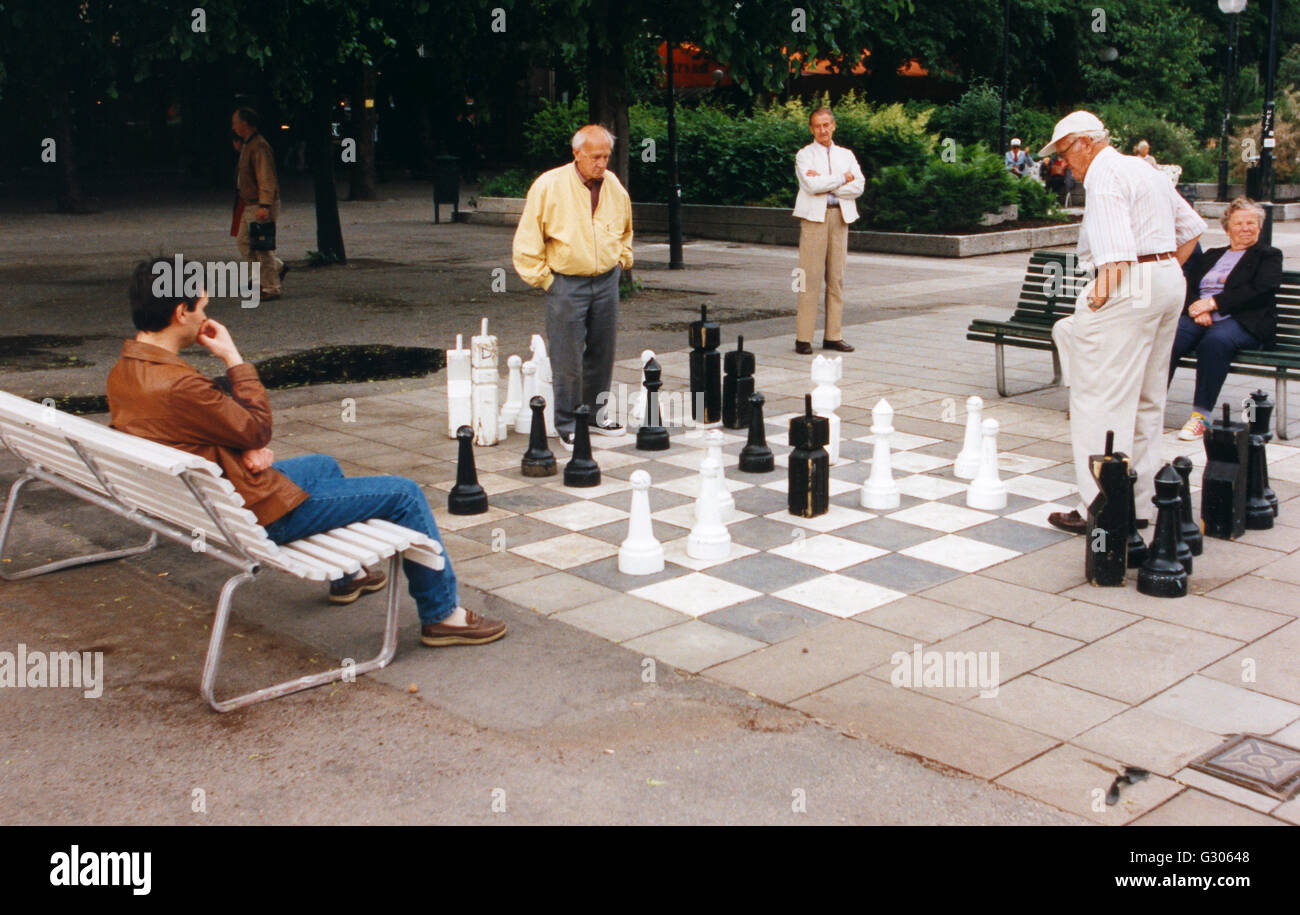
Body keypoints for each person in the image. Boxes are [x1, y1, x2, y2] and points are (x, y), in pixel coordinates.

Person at [106, 257, 506, 647]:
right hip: (255, 514)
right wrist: (233, 359)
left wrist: (243, 450)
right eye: (203, 307)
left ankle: (347, 576)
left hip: (211, 502)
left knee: (323, 465)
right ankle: (441, 615)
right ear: (181, 312)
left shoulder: (125, 371)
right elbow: (257, 427)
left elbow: (184, 433)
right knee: (404, 494)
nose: (205, 317)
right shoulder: (179, 384)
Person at [1041, 111, 1206, 535]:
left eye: (1064, 154)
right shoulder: (1144, 168)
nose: (1065, 166)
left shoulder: (1103, 174)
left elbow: (1115, 255)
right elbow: (1190, 229)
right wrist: (1161, 270)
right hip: (1168, 278)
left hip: (1127, 284)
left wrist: (1098, 300)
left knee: (1100, 401)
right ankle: (1144, 505)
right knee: (1148, 400)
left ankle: (1101, 506)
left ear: (1084, 143)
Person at [512, 124, 633, 446]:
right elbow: (527, 240)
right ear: (576, 153)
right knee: (567, 357)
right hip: (566, 282)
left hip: (606, 279)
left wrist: (622, 260)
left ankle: (595, 415)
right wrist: (546, 280)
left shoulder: (613, 185)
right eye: (595, 156)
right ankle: (567, 422)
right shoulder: (549, 185)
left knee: (602, 352)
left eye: (606, 156)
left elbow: (625, 228)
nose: (602, 163)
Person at [1169, 197, 1282, 439]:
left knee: (1215, 342)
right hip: (1203, 318)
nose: (1245, 228)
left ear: (1260, 228)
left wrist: (1213, 303)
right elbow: (1189, 284)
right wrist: (1196, 309)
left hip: (1245, 321)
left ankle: (1201, 417)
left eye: (1251, 223)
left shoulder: (1268, 255)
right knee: (1169, 337)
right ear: (1227, 228)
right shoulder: (1211, 254)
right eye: (1239, 223)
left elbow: (1261, 289)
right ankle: (1149, 407)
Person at [792, 107, 865, 355]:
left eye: (826, 125)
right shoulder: (804, 155)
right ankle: (803, 337)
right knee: (807, 278)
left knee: (836, 279)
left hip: (840, 218)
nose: (822, 130)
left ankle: (833, 335)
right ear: (811, 128)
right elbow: (811, 186)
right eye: (817, 126)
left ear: (834, 125)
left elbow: (859, 185)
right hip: (814, 219)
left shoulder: (846, 154)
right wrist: (842, 179)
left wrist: (829, 182)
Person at [231, 107, 286, 301]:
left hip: (258, 203)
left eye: (236, 122)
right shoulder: (250, 144)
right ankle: (270, 274)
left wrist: (264, 204)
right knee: (246, 242)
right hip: (251, 202)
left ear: (244, 123)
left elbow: (266, 177)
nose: (234, 126)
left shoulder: (258, 146)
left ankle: (270, 286)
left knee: (261, 247)